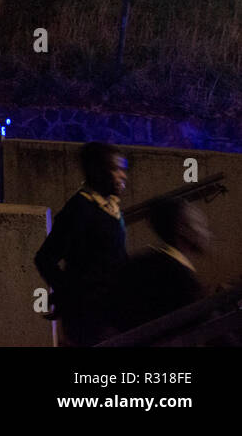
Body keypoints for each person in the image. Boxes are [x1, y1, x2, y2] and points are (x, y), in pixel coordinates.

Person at [35, 142, 128, 345]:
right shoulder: (79, 210)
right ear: (97, 171)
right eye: (116, 169)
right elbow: (45, 258)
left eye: (123, 169)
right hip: (90, 317)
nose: (123, 176)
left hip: (109, 309)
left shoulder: (109, 206)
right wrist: (70, 294)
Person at [111, 197, 208, 333]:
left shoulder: (140, 263)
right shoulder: (181, 279)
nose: (205, 231)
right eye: (199, 223)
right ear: (182, 229)